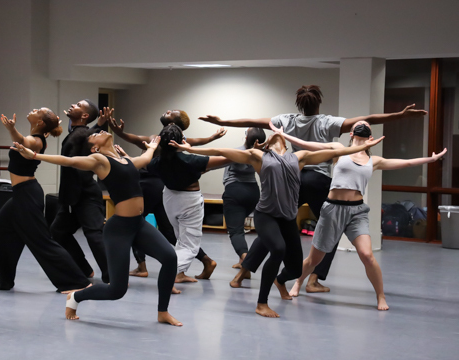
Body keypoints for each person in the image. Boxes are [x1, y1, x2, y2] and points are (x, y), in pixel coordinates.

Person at [199, 85, 427, 293]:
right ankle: (314, 280)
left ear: (299, 104)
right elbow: (367, 118)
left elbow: (253, 122)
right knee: (333, 230)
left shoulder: (285, 120)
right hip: (318, 181)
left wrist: (222, 122)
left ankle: (243, 272)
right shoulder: (328, 122)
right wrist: (400, 115)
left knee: (275, 223)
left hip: (294, 179)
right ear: (318, 103)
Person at [170, 132, 383, 318]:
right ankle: (261, 303)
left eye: (279, 136)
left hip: (288, 217)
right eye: (271, 136)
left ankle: (280, 281)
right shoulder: (258, 156)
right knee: (278, 249)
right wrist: (190, 148)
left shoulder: (298, 158)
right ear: (264, 144)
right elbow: (221, 151)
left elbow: (332, 153)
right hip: (266, 215)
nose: (275, 135)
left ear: (287, 145)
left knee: (295, 267)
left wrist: (363, 146)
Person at [269, 120, 446, 310]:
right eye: (358, 125)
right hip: (332, 210)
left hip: (357, 212)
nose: (362, 125)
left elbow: (406, 162)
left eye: (366, 125)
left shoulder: (373, 161)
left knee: (367, 255)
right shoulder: (338, 149)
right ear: (351, 134)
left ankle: (380, 296)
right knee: (314, 259)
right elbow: (309, 145)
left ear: (370, 137)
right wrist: (283, 135)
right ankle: (297, 283)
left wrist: (430, 159)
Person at [12, 130, 182, 326]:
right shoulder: (99, 160)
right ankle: (76, 297)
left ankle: (163, 312)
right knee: (116, 291)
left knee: (170, 258)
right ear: (94, 147)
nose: (98, 132)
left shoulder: (125, 161)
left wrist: (152, 148)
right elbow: (70, 161)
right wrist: (34, 155)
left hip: (139, 225)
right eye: (93, 136)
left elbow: (143, 159)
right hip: (119, 229)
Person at [0, 109, 91, 293]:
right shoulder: (38, 137)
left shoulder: (36, 140)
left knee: (42, 241)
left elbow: (23, 142)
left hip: (27, 195)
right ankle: (4, 280)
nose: (33, 110)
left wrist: (11, 129)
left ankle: (77, 282)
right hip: (21, 194)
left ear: (40, 122)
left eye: (38, 111)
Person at [108, 109, 226, 279]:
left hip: (149, 186)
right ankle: (202, 262)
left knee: (133, 223)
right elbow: (197, 142)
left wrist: (120, 134)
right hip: (164, 189)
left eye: (171, 112)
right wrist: (211, 139)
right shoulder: (179, 140)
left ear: (174, 123)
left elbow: (134, 139)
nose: (167, 111)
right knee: (169, 231)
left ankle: (143, 267)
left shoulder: (156, 140)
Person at [148, 124, 232, 283]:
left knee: (181, 238)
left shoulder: (156, 162)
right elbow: (228, 158)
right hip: (189, 201)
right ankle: (170, 274)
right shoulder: (190, 159)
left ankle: (180, 274)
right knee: (190, 246)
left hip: (170, 199)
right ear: (180, 141)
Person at [50, 100, 109, 283]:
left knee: (94, 235)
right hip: (72, 196)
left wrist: (98, 125)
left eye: (78, 105)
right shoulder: (76, 132)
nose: (73, 105)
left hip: (86, 195)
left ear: (84, 116)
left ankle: (113, 273)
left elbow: (85, 136)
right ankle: (84, 268)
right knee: (58, 232)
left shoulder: (82, 133)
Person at [221, 128, 266, 286]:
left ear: (246, 137)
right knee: (241, 229)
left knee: (235, 231)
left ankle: (246, 264)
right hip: (253, 192)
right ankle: (242, 260)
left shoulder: (237, 152)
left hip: (235, 191)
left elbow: (214, 163)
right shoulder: (263, 153)